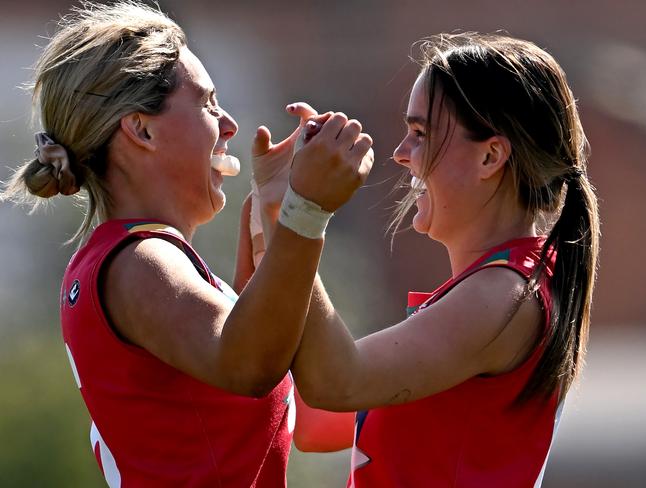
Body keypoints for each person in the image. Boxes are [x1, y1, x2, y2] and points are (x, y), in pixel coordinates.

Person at [0, 2, 373, 486]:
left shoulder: (139, 259)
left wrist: (280, 212)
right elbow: (248, 362)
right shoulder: (140, 261)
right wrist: (307, 211)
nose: (229, 124)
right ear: (141, 129)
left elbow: (284, 393)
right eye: (207, 103)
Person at [244, 32, 600, 487]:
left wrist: (306, 213)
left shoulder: (503, 296)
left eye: (420, 134)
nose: (401, 154)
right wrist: (281, 211)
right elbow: (315, 421)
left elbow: (335, 382)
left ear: (490, 155)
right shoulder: (490, 292)